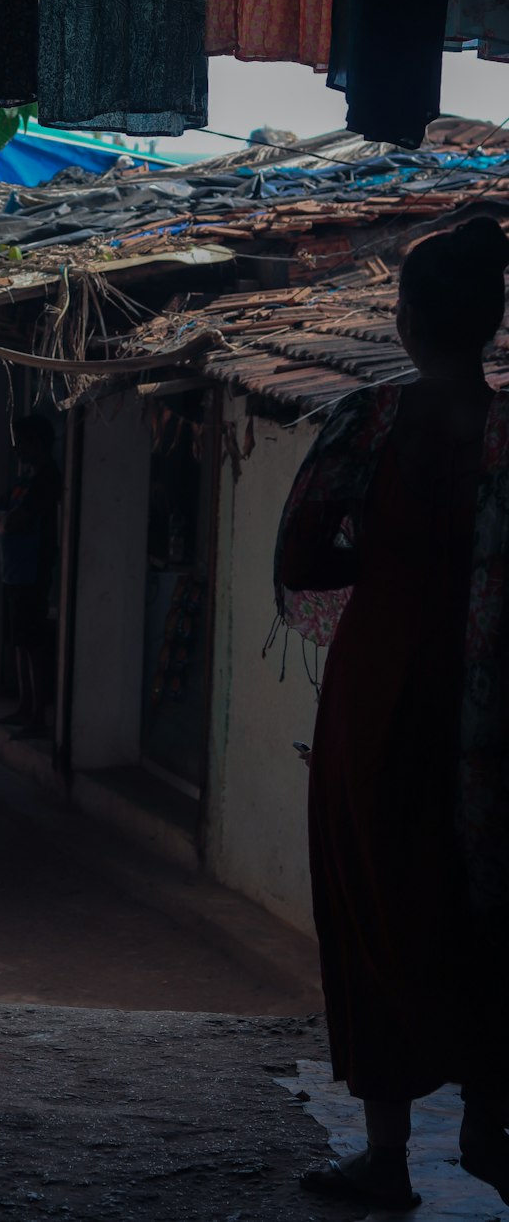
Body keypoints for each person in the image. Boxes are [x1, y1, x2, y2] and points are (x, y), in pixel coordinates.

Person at [275, 216, 509, 1212]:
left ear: (409, 323)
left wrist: (384, 560)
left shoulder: (370, 421)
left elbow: (302, 555)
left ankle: (386, 1157)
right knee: (486, 911)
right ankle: (495, 1121)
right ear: (492, 323)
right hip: (492, 711)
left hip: (382, 696)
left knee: (372, 902)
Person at [0, 415, 60, 736]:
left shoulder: (46, 479)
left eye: (23, 442)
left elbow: (13, 521)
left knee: (32, 642)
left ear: (37, 444)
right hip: (14, 571)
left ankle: (37, 714)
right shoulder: (24, 478)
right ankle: (25, 706)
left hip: (32, 572)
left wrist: (3, 519)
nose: (18, 450)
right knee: (19, 640)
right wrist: (4, 519)